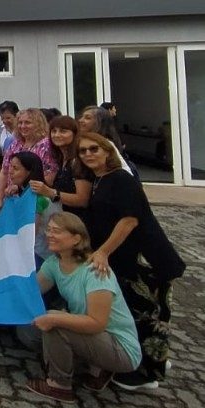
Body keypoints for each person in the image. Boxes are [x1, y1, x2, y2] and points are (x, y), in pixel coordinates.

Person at [77, 132, 185, 390]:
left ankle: (147, 374)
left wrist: (103, 251)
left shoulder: (121, 180)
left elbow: (129, 220)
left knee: (150, 314)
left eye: (94, 149)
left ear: (108, 152)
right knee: (134, 312)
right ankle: (148, 359)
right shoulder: (99, 179)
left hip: (147, 260)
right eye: (83, 151)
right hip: (124, 259)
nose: (88, 154)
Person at [24, 212, 142, 404]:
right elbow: (32, 291)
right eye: (49, 230)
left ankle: (60, 385)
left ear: (76, 238)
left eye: (57, 231)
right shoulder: (54, 263)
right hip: (97, 337)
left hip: (122, 348)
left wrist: (55, 318)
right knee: (30, 333)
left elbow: (97, 323)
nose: (49, 235)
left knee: (54, 323)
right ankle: (96, 367)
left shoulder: (95, 270)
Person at [0, 108, 57, 220]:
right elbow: (4, 172)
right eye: (20, 123)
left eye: (27, 122)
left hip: (36, 201)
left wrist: (21, 187)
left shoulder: (47, 145)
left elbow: (50, 175)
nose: (23, 126)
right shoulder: (15, 144)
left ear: (38, 124)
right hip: (13, 199)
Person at [29, 116, 90, 218]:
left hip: (79, 222)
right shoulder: (61, 159)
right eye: (54, 131)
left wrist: (51, 192)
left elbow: (83, 200)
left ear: (74, 134)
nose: (57, 135)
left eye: (63, 131)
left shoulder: (78, 160)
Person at [77, 106, 135, 178]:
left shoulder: (106, 143)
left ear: (99, 122)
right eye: (82, 117)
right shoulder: (85, 141)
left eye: (87, 118)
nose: (80, 120)